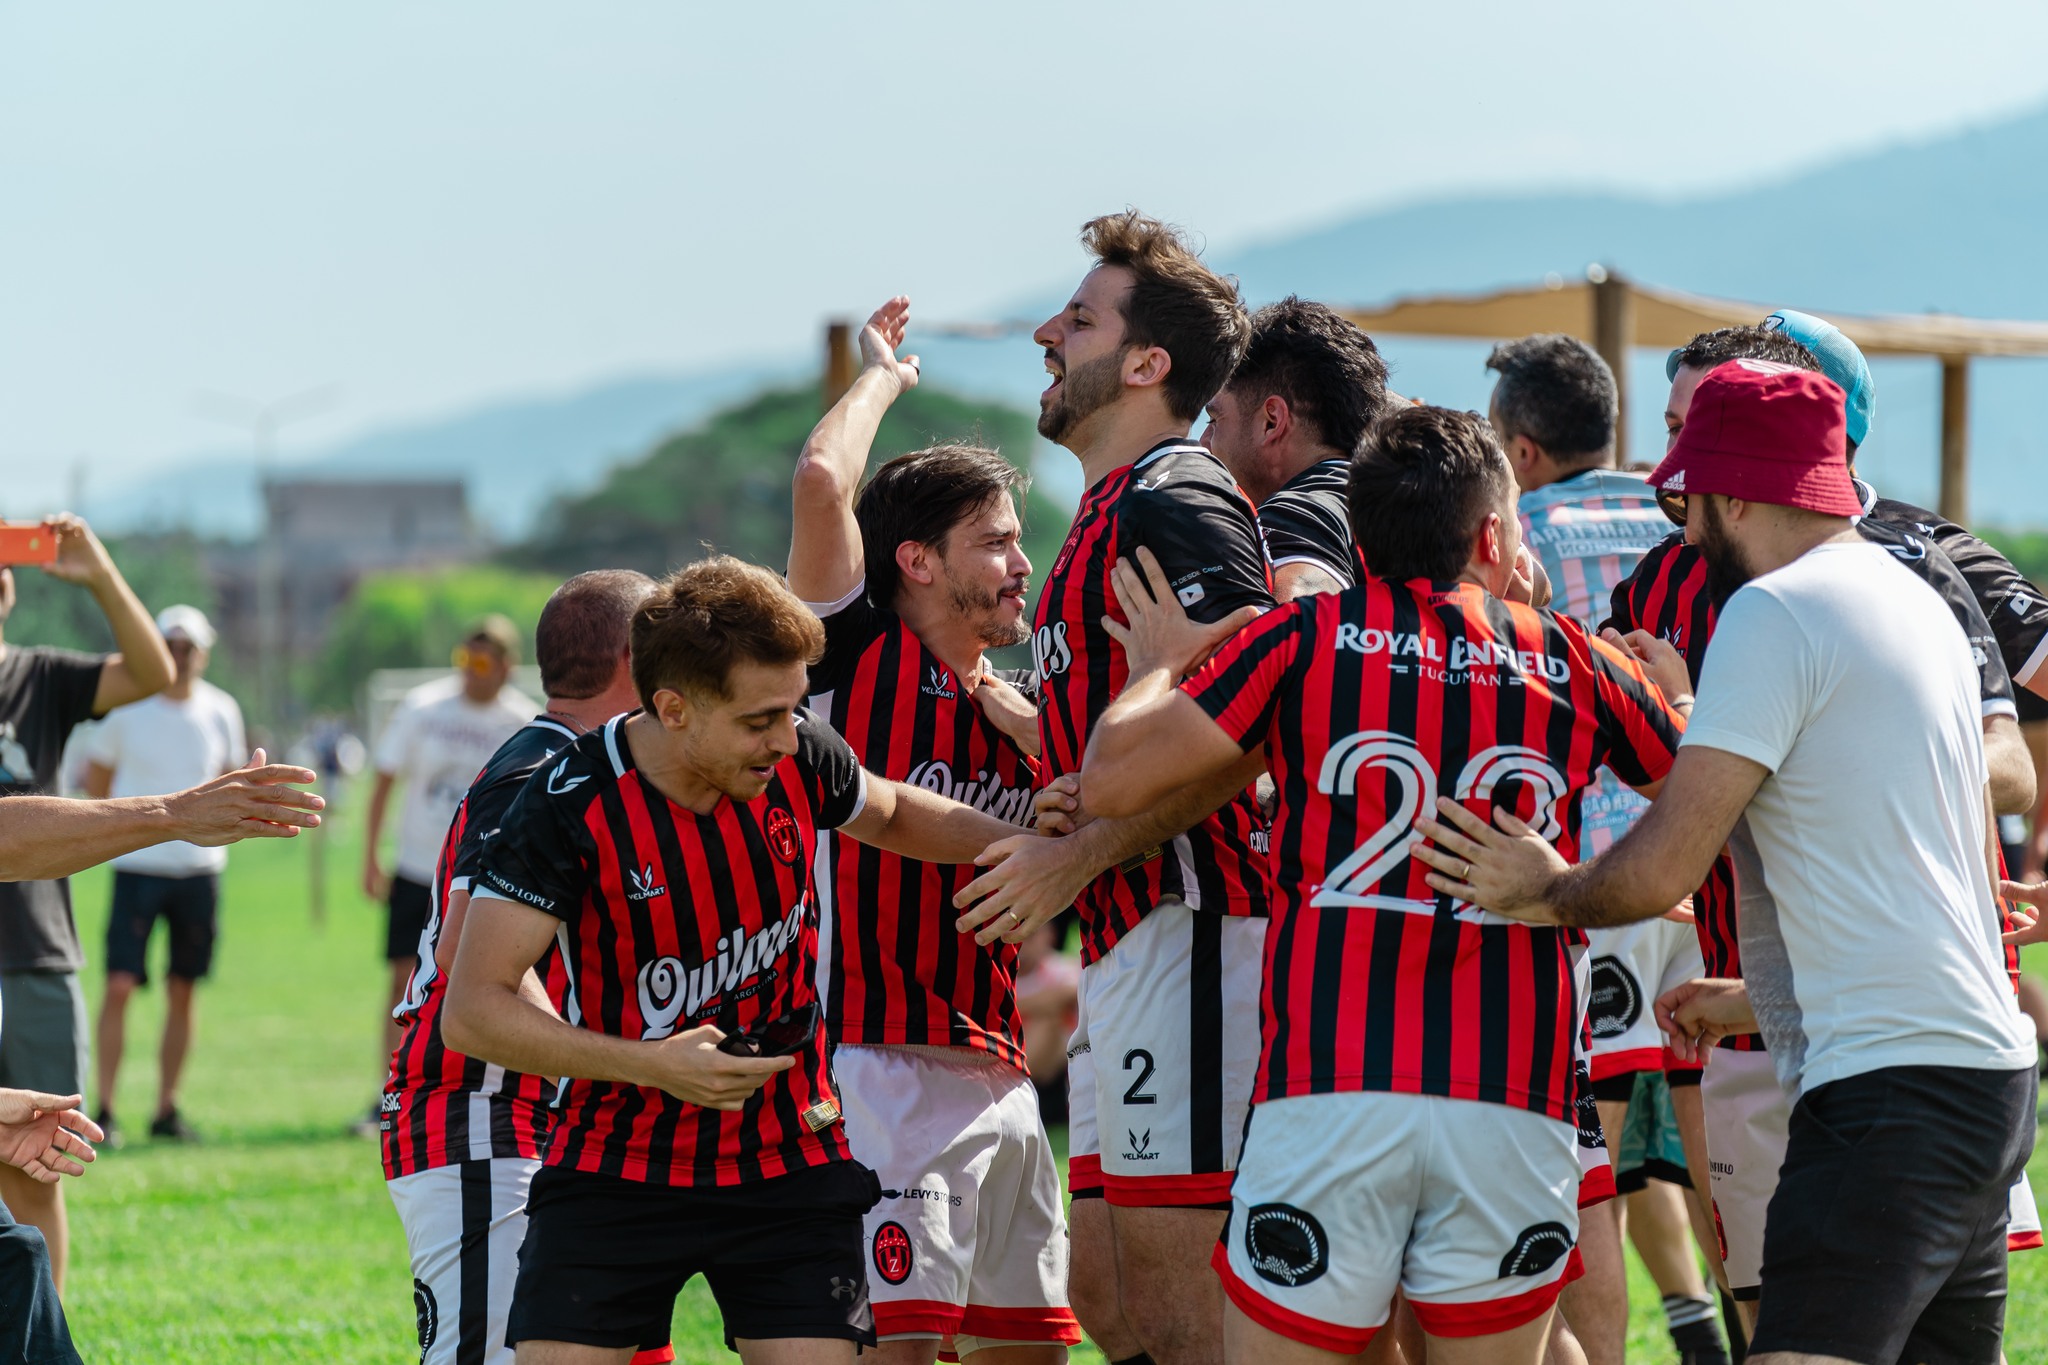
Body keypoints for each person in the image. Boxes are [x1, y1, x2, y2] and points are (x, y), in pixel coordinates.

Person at [1421, 360, 2036, 1364]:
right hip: (1981, 1076)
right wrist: (1757, 999)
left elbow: (1660, 867)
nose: (1678, 519)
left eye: (1688, 493)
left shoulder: (1771, 611)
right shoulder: (1910, 598)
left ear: (1734, 492)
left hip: (1888, 1096)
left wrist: (1540, 889)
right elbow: (1904, 880)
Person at [1077, 405, 1692, 1365]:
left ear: (1360, 537)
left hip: (1327, 1093)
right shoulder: (1571, 655)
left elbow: (1111, 777)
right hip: (1512, 1096)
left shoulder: (1304, 636)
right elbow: (1702, 803)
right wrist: (1587, 862)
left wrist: (1156, 667)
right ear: (1492, 535)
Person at [442, 556, 1038, 1364]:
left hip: (789, 1158)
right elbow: (474, 1008)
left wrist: (1035, 850)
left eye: (794, 710)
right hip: (616, 1162)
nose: (787, 739)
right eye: (761, 720)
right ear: (673, 707)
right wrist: (650, 1064)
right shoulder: (564, 804)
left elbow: (892, 809)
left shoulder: (796, 754)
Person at [1612, 324, 2038, 1330]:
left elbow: (2007, 765)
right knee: (1769, 1311)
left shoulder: (1912, 567)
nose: (1671, 479)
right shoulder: (1656, 580)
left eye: (1695, 442)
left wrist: (1832, 768)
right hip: (1761, 1002)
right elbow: (1649, 781)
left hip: (1897, 1029)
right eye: (1671, 431)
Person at [787, 296, 1079, 1361]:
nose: (1020, 564)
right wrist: (885, 377)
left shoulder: (1019, 704)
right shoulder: (853, 654)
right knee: (900, 1352)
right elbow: (824, 483)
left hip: (1002, 1073)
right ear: (914, 560)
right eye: (995, 542)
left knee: (1033, 1350)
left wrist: (1056, 751)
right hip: (876, 1072)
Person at [1019, 209, 1270, 1365]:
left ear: (1143, 362)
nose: (1043, 334)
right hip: (1136, 938)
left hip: (1199, 928)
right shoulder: (1108, 507)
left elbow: (1259, 726)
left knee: (1179, 1309)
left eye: (1075, 320)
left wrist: (1089, 845)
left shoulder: (1178, 495)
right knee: (1108, 1296)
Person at [1486, 334, 1728, 1365]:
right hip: (1711, 863)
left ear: (1523, 450)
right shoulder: (1691, 524)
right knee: (1724, 1148)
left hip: (1593, 879)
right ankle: (1736, 1324)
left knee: (1593, 1165)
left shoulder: (1505, 544)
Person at [382, 571, 676, 1365]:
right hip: (481, 1110)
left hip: (550, 1119)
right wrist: (624, 1066)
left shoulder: (587, 759)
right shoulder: (542, 764)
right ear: (630, 656)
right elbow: (466, 954)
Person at [0, 512, 174, 1287]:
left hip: (36, 950)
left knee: (36, 1160)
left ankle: (41, 1334)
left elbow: (154, 672)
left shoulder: (38, 675)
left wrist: (99, 572)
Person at [359, 617, 536, 1131]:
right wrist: (371, 855)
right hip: (419, 868)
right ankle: (386, 1093)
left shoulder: (522, 722)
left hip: (488, 881)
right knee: (400, 982)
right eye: (465, 660)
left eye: (482, 663)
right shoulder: (424, 707)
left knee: (490, 982)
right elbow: (385, 778)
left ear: (507, 668)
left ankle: (493, 1090)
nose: (471, 673)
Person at [80, 605, 244, 1146]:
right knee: (121, 985)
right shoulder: (128, 709)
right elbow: (96, 782)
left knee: (183, 989)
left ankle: (166, 1107)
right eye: (169, 645)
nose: (178, 656)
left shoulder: (221, 709)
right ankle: (104, 1105)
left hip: (198, 870)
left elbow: (231, 784)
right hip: (139, 866)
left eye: (188, 647)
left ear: (204, 652)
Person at [1198, 296, 1388, 598]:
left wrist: (1176, 644)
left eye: (1214, 420)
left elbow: (1298, 614)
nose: (1203, 442)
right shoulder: (1400, 508)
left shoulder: (1301, 512)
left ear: (1271, 421)